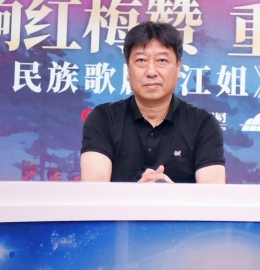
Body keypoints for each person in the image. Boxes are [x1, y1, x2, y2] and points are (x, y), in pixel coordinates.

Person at [81, 21, 226, 183]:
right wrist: (139, 193)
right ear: (128, 69)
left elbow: (212, 194)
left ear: (178, 67)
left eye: (162, 60)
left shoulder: (203, 124)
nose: (151, 71)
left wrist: (169, 192)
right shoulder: (104, 119)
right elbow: (94, 189)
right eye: (141, 60)